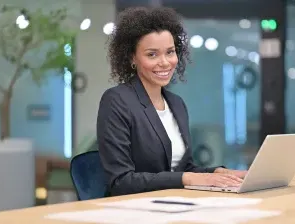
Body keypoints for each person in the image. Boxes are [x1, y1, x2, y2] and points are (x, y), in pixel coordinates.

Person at [97, 6, 247, 197]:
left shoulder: (176, 104)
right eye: (152, 54)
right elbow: (121, 181)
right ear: (132, 57)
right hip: (135, 209)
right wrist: (188, 179)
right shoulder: (117, 101)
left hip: (174, 202)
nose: (165, 62)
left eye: (170, 52)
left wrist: (219, 173)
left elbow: (183, 168)